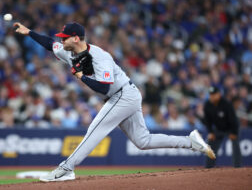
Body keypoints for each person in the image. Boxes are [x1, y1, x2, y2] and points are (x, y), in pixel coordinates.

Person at [13, 22, 216, 182]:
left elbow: (104, 87)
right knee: (143, 141)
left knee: (95, 129)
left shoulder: (99, 56)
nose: (61, 40)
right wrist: (29, 32)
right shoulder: (67, 50)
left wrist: (81, 76)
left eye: (65, 37)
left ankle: (66, 169)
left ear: (76, 38)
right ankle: (191, 142)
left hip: (122, 94)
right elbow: (50, 43)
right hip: (124, 95)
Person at [203, 86, 242, 168]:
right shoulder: (207, 105)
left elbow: (233, 120)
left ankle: (237, 167)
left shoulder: (226, 104)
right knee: (211, 145)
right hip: (218, 129)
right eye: (210, 94)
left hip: (230, 128)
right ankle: (209, 167)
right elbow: (207, 121)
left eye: (213, 94)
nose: (212, 96)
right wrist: (210, 132)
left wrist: (234, 132)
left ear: (219, 94)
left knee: (235, 145)